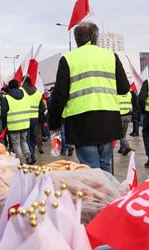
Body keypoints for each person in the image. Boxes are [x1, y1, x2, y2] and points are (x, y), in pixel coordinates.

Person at [49, 21, 129, 172]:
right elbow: (124, 88)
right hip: (108, 119)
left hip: (82, 122)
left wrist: (54, 123)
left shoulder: (68, 59)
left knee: (90, 168)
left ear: (76, 39)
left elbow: (60, 95)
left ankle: (96, 195)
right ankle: (108, 195)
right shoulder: (111, 56)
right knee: (105, 166)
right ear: (95, 37)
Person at [2, 80, 31, 164]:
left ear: (9, 87)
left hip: (13, 124)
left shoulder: (7, 98)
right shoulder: (25, 95)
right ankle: (28, 156)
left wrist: (5, 124)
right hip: (24, 123)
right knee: (24, 141)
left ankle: (20, 161)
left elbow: (4, 113)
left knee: (16, 143)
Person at [22, 76, 46, 164]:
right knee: (33, 138)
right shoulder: (38, 93)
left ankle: (30, 156)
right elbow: (42, 108)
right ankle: (32, 155)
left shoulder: (21, 91)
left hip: (25, 118)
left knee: (26, 139)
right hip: (35, 119)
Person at [118, 90, 133, 156]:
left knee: (120, 134)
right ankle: (122, 148)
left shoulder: (117, 93)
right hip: (128, 115)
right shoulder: (129, 93)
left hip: (120, 115)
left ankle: (127, 146)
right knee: (124, 133)